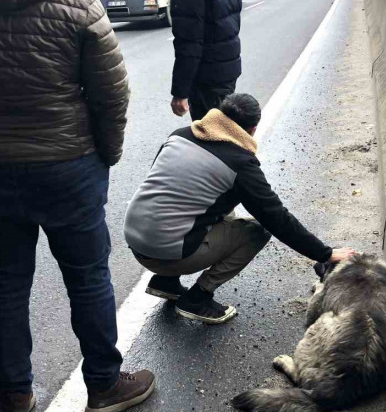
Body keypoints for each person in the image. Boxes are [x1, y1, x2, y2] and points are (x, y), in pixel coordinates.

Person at [0, 0, 154, 411]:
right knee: (87, 277)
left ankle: (15, 396)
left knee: (5, 283)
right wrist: (106, 153)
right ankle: (104, 384)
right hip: (69, 165)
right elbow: (111, 93)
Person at [124, 93, 356, 324]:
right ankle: (198, 298)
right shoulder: (240, 164)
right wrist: (325, 253)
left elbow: (168, 191)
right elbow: (276, 218)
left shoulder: (179, 136)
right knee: (257, 231)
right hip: (167, 252)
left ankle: (165, 282)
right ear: (252, 129)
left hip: (136, 241)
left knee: (205, 205)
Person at [169, 0, 244, 121]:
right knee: (223, 128)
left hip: (206, 77)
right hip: (228, 68)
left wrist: (180, 92)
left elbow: (189, 40)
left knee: (209, 136)